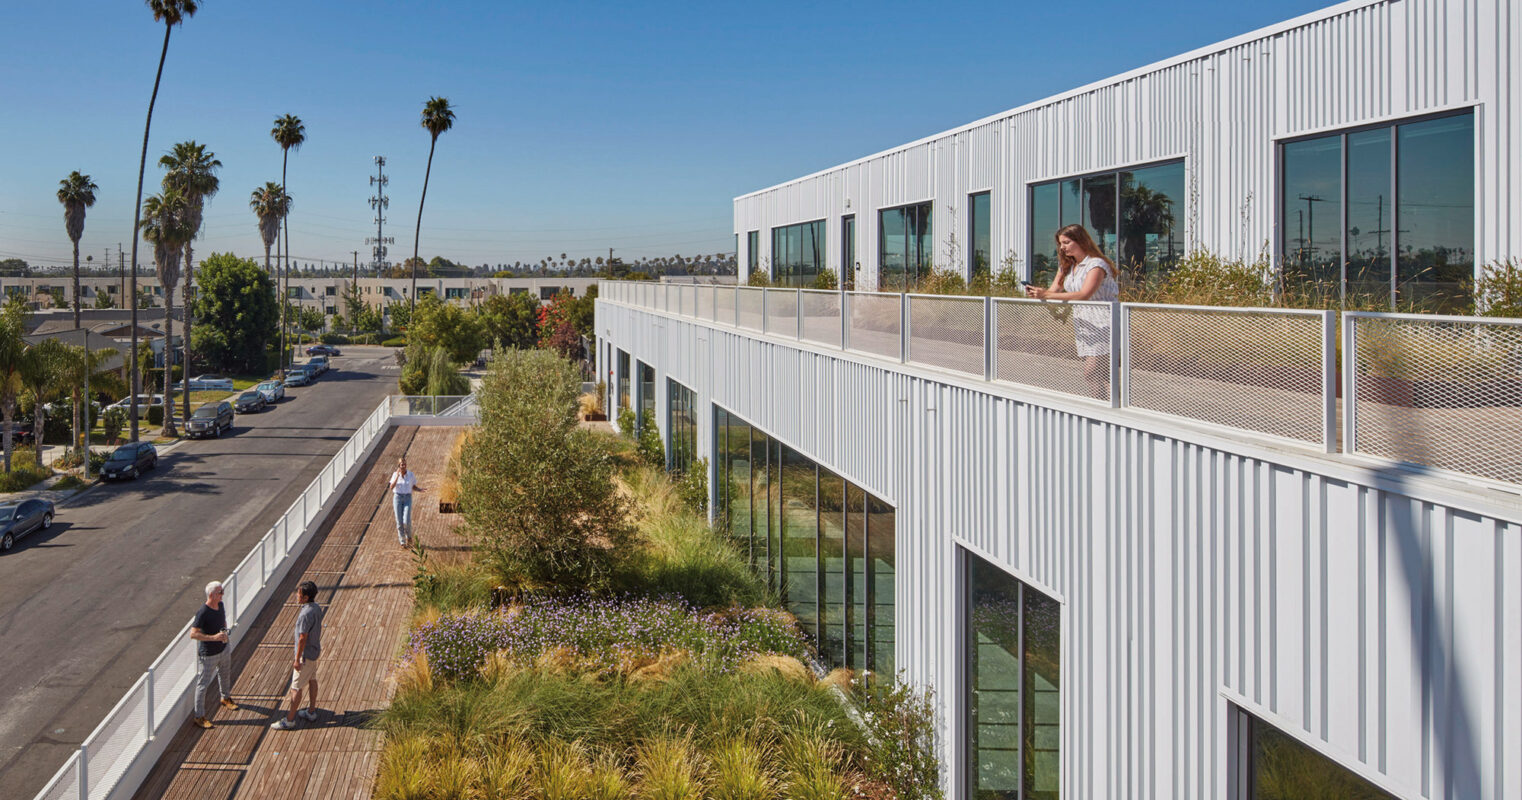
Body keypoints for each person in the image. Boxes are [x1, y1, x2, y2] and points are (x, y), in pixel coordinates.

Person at [1025, 223, 1120, 398]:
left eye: (1067, 242)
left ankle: (1106, 407)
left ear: (1081, 241)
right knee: (1104, 374)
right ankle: (1105, 407)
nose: (1062, 247)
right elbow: (1054, 291)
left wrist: (1046, 295)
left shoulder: (1096, 265)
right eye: (1061, 243)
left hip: (1105, 323)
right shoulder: (1067, 266)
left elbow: (1085, 294)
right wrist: (1038, 292)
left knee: (1091, 371)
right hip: (1084, 323)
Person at [271, 581, 323, 730]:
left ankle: (290, 720)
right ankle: (311, 711)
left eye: (299, 594)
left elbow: (302, 637)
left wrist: (297, 659)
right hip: (314, 652)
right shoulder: (316, 608)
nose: (296, 596)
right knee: (312, 680)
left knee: (296, 688)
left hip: (305, 656)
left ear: (305, 597)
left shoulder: (305, 614)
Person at [189, 581, 237, 729]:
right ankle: (199, 716)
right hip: (208, 654)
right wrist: (213, 638)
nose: (222, 594)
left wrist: (224, 633)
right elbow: (193, 634)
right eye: (220, 592)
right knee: (203, 684)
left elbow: (222, 620)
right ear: (211, 594)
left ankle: (225, 698)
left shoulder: (220, 605)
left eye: (222, 591)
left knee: (225, 674)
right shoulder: (203, 612)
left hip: (222, 649)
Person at [386, 456, 424, 546]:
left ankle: (409, 536)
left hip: (407, 497)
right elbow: (391, 487)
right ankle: (402, 541)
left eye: (404, 464)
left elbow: (413, 486)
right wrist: (397, 477)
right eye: (401, 465)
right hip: (397, 498)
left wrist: (419, 489)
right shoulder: (395, 474)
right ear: (399, 466)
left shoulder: (410, 474)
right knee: (399, 521)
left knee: (406, 520)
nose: (403, 466)